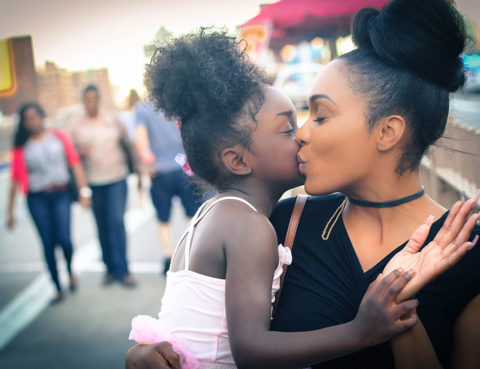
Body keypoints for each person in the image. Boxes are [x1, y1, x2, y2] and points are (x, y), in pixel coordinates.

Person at [124, 29, 478, 369]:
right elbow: (205, 320)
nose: (303, 135)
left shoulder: (466, 249)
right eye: (292, 125)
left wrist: (402, 312)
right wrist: (148, 354)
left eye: (320, 116)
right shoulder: (284, 222)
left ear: (387, 131)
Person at [7, 102, 90, 303]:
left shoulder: (58, 137)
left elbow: (75, 163)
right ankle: (57, 287)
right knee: (48, 243)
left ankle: (70, 271)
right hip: (37, 199)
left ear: (42, 117)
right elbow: (15, 180)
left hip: (61, 194)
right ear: (24, 124)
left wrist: (84, 191)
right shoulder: (21, 148)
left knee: (65, 239)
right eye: (28, 119)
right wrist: (9, 211)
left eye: (35, 116)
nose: (33, 121)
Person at [68, 84, 140, 287]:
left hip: (116, 178)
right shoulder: (77, 126)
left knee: (117, 222)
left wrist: (138, 170)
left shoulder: (112, 120)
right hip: (94, 183)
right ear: (83, 102)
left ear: (99, 100)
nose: (91, 103)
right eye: (87, 100)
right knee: (102, 226)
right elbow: (71, 156)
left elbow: (128, 144)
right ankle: (109, 269)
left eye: (94, 99)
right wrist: (80, 152)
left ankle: (124, 270)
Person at [134, 99, 202, 274]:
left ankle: (168, 255)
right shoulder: (177, 102)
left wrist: (147, 162)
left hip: (160, 171)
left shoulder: (142, 109)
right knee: (191, 215)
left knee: (163, 218)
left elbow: (141, 140)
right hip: (183, 168)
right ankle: (191, 255)